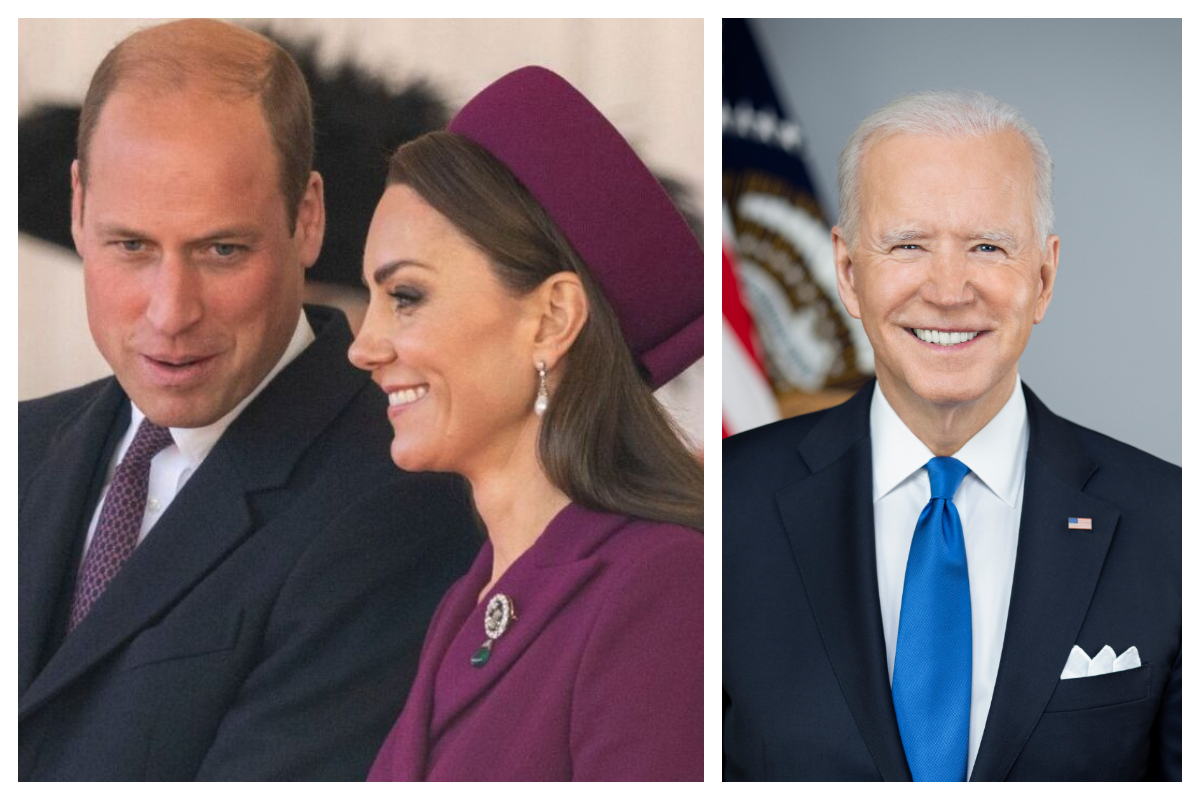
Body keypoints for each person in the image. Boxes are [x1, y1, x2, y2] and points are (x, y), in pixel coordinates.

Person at [18, 19, 480, 780]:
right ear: (77, 209)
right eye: (131, 246)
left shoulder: (404, 503)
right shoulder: (21, 450)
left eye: (221, 249)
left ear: (306, 220)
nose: (171, 312)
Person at [723, 91, 1180, 781]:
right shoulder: (721, 506)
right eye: (908, 245)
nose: (947, 288)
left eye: (988, 247)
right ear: (848, 273)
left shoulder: (1173, 524)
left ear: (1045, 276)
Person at [352, 66, 704, 781]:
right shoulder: (472, 596)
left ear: (552, 319)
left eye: (406, 296)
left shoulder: (662, 587)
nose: (363, 346)